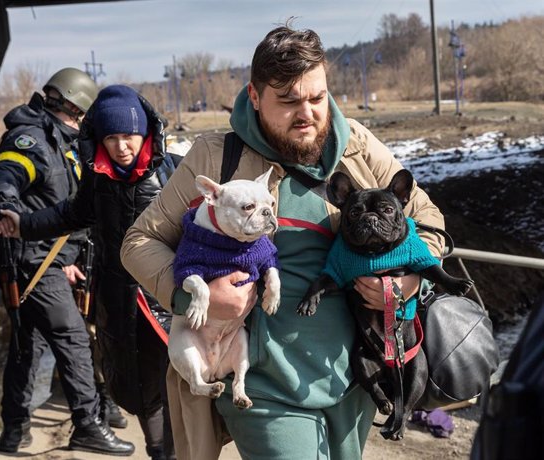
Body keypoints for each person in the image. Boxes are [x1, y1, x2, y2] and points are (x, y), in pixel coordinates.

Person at [119, 21, 447, 460]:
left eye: (317, 97)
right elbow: (139, 241)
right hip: (260, 384)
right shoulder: (217, 157)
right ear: (254, 97)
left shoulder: (357, 148)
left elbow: (427, 218)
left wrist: (410, 281)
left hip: (356, 376)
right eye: (289, 101)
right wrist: (190, 297)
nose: (307, 113)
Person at [0, 85, 179, 460]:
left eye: (129, 136)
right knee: (142, 392)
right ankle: (160, 453)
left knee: (178, 385)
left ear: (144, 134)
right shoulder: (99, 178)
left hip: (166, 300)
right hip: (118, 303)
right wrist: (22, 224)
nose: (122, 146)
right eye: (112, 138)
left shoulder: (173, 172)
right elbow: (70, 215)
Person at [0, 68, 134, 456]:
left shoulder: (61, 143)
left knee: (25, 347)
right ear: (72, 108)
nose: (83, 124)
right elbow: (7, 175)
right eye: (81, 117)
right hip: (31, 261)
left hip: (49, 260)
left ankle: (14, 432)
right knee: (74, 338)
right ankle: (88, 425)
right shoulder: (33, 140)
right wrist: (4, 204)